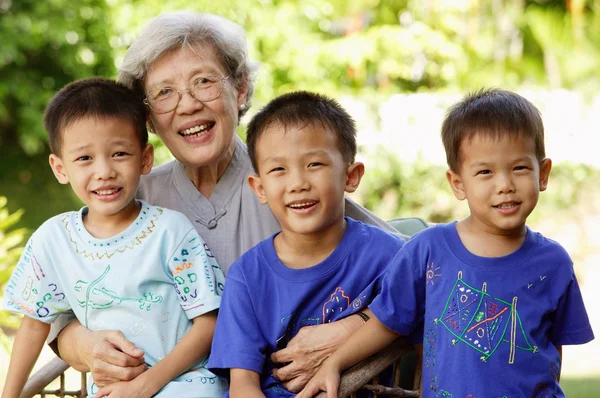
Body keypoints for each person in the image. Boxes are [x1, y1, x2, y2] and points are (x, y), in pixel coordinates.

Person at [48, 11, 405, 393]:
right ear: (148, 118)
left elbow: (420, 272)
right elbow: (57, 314)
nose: (187, 105)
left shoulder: (287, 181)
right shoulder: (128, 198)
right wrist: (89, 348)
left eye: (203, 82)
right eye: (164, 92)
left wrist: (351, 328)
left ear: (240, 88)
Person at [297, 89, 595, 398]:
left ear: (542, 174)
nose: (505, 185)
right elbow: (386, 321)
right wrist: (333, 363)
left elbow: (553, 354)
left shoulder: (553, 262)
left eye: (519, 168)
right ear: (458, 183)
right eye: (485, 172)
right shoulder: (429, 251)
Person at [2, 78, 227, 398]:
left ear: (145, 158)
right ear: (60, 167)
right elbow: (34, 325)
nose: (104, 171)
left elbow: (210, 323)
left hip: (188, 385)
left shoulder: (170, 231)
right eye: (84, 159)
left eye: (120, 153)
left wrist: (146, 385)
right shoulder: (53, 241)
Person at [207, 91, 405, 398]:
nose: (298, 183)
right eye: (278, 170)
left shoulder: (389, 257)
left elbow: (425, 314)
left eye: (314, 164)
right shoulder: (247, 276)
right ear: (259, 188)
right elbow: (242, 384)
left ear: (350, 176)